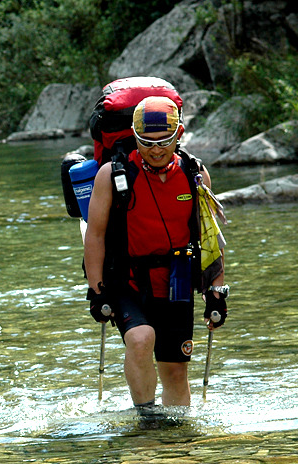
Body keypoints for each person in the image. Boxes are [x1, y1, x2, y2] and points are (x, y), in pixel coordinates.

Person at [83, 96, 227, 413]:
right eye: (147, 142)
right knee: (140, 338)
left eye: (164, 141)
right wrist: (97, 291)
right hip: (126, 280)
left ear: (180, 133)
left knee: (175, 371)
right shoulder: (113, 175)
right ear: (135, 137)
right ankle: (147, 420)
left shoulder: (195, 174)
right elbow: (94, 235)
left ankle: (175, 442)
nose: (157, 149)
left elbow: (209, 237)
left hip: (175, 281)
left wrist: (216, 290)